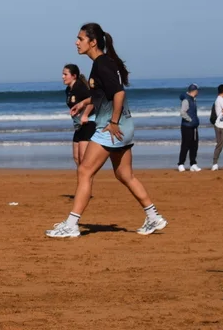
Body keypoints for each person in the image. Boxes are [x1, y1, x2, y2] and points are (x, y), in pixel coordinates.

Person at [45, 23, 168, 238]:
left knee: (85, 171)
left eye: (80, 39)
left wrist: (113, 122)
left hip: (111, 128)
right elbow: (103, 94)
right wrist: (84, 103)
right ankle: (153, 217)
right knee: (124, 175)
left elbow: (119, 93)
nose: (76, 42)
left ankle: (72, 224)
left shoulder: (102, 64)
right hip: (123, 127)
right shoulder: (103, 63)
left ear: (93, 42)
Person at [63, 63, 95, 166]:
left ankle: (86, 177)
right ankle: (82, 177)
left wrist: (85, 115)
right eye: (63, 74)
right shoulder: (68, 90)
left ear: (74, 76)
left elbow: (93, 100)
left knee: (83, 159)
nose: (63, 77)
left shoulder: (80, 87)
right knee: (76, 158)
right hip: (78, 125)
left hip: (88, 123)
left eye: (65, 74)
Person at [178, 84, 202, 172]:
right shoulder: (186, 100)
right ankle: (181, 164)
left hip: (194, 127)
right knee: (185, 145)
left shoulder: (193, 100)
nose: (198, 92)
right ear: (194, 91)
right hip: (186, 127)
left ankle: (193, 164)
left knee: (194, 145)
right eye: (197, 90)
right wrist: (190, 120)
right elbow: (182, 112)